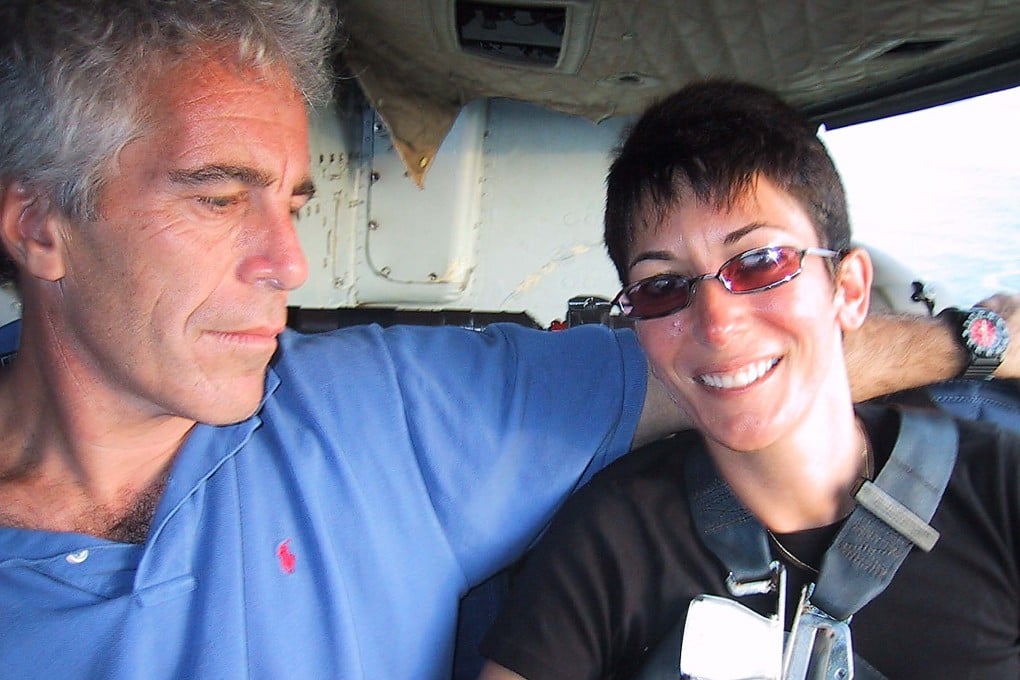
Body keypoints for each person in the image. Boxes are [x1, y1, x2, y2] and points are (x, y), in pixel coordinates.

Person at [0, 3, 1014, 677]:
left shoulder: (386, 408)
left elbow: (734, 365)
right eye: (220, 196)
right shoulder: (617, 547)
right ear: (42, 224)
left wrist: (976, 341)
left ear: (846, 279)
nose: (289, 263)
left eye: (294, 206)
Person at [477, 81, 1020, 679]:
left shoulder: (1000, 488)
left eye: (761, 262)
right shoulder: (607, 542)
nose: (716, 324)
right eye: (662, 286)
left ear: (849, 290)